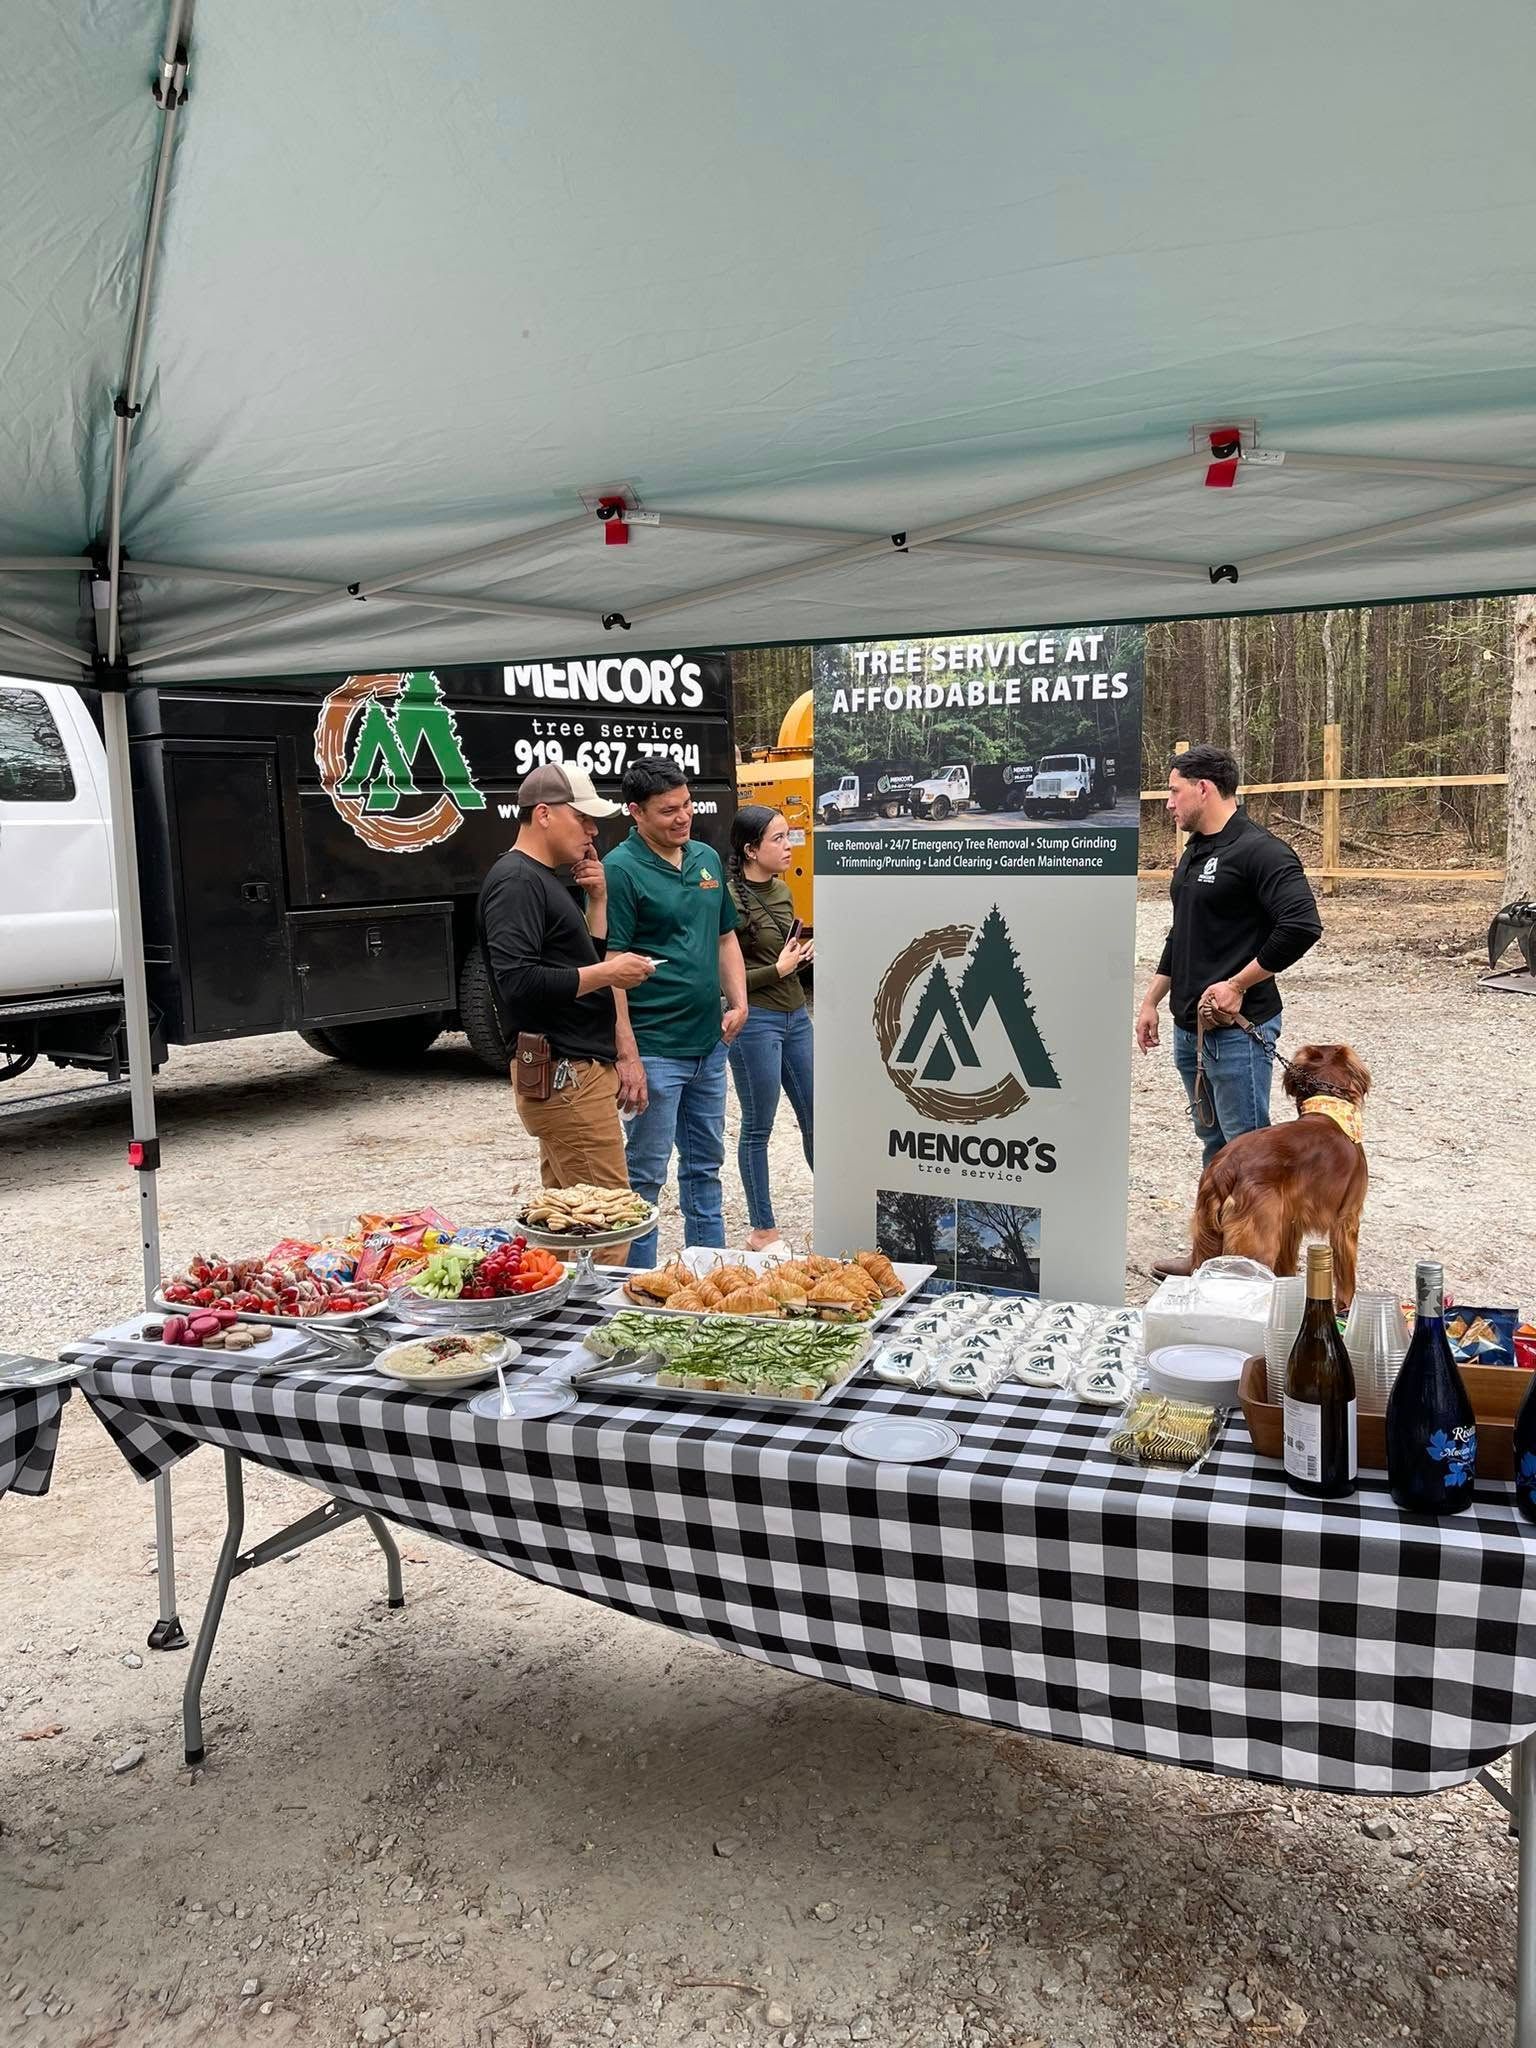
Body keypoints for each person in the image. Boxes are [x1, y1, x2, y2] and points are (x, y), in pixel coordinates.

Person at [1134, 742, 1323, 1277]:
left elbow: (1302, 925)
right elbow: (1183, 933)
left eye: (1173, 791)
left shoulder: (1262, 852)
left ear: (1204, 788)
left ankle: (1256, 1270)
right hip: (1189, 1029)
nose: (1168, 803)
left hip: (1238, 1030)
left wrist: (1240, 983)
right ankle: (1210, 1256)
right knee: (1215, 1147)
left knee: (1250, 1152)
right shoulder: (1194, 850)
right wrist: (1153, 999)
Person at [476, 763, 657, 1265]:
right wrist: (609, 973)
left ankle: (563, 1332)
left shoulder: (541, 879)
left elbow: (579, 962)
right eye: (584, 819)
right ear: (544, 815)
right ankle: (593, 1338)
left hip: (568, 1074)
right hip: (566, 1075)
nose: (594, 831)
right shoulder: (516, 882)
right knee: (605, 1226)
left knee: (566, 1230)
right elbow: (519, 984)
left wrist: (596, 901)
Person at [602, 760, 748, 1269]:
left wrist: (740, 1001)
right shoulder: (619, 870)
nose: (683, 817)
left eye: (686, 805)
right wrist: (628, 1055)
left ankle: (707, 1275)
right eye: (668, 811)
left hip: (708, 1045)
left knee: (706, 1166)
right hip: (655, 1048)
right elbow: (610, 966)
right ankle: (636, 1286)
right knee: (644, 1174)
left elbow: (724, 936)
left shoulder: (705, 858)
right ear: (635, 812)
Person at [725, 804, 815, 1252]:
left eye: (788, 836)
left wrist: (799, 957)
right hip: (755, 1020)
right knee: (758, 1125)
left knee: (818, 1118)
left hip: (796, 1015)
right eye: (778, 838)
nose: (788, 845)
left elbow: (783, 956)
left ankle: (835, 1210)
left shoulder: (782, 891)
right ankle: (763, 1229)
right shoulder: (725, 897)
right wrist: (777, 971)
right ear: (750, 849)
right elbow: (723, 974)